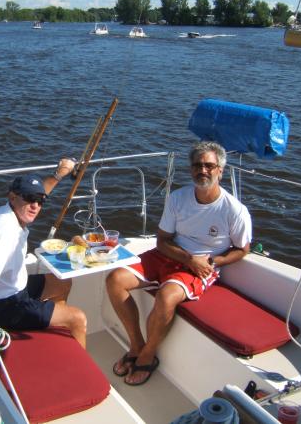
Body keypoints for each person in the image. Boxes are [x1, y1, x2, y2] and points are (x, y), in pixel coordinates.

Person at [106, 141, 252, 386]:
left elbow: (242, 249)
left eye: (209, 165)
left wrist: (212, 260)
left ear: (220, 171)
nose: (202, 170)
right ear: (191, 169)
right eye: (197, 165)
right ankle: (136, 344)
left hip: (203, 264)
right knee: (115, 279)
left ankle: (147, 355)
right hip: (173, 255)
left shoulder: (234, 210)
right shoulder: (178, 198)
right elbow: (162, 241)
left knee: (167, 295)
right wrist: (187, 258)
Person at [0, 158, 87, 356]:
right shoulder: (5, 231)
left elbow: (39, 194)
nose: (35, 206)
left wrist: (59, 174)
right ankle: (79, 368)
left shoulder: (10, 210)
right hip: (2, 306)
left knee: (61, 282)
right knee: (78, 318)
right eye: (30, 198)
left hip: (13, 291)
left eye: (40, 201)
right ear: (13, 197)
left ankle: (50, 329)